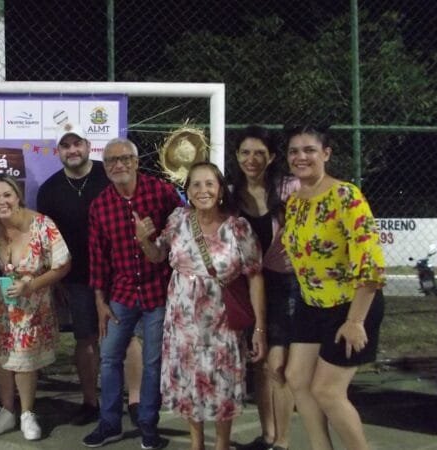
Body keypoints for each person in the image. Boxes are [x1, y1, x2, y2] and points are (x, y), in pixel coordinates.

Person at [136, 161, 267, 450]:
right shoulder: (178, 220)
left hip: (222, 323)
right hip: (182, 323)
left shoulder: (238, 228)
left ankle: (221, 445)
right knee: (188, 384)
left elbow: (255, 276)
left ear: (220, 190)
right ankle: (197, 444)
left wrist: (259, 328)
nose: (202, 190)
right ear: (188, 191)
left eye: (209, 183)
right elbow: (157, 255)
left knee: (221, 383)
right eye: (195, 184)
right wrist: (144, 240)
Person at [281, 126, 386, 450]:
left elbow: (370, 261)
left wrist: (355, 321)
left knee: (327, 391)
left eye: (309, 150)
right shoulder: (295, 201)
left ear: (326, 153)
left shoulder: (346, 196)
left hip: (350, 305)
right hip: (311, 304)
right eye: (294, 151)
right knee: (297, 380)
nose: (301, 157)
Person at [83, 138, 182, 450]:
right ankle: (109, 424)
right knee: (110, 357)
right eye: (111, 160)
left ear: (137, 162)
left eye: (125, 158)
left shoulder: (163, 193)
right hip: (121, 294)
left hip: (158, 291)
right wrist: (100, 302)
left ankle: (149, 428)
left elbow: (181, 234)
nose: (118, 165)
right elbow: (97, 257)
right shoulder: (100, 205)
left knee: (153, 362)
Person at [0, 173, 71, 441]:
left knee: (25, 362)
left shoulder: (43, 225)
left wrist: (30, 286)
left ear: (17, 196)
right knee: (1, 359)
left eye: (6, 195)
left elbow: (63, 264)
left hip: (33, 308)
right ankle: (7, 410)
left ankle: (27, 413)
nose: (2, 201)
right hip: (0, 310)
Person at [231, 126, 300, 450]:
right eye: (245, 152)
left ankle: (283, 441)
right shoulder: (230, 196)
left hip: (285, 282)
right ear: (237, 156)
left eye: (260, 152)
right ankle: (268, 434)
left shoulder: (290, 189)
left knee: (278, 365)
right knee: (258, 363)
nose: (252, 159)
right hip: (247, 287)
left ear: (272, 157)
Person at [36, 123, 109, 425]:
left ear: (88, 145)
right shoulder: (49, 190)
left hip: (118, 275)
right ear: (58, 152)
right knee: (86, 338)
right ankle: (91, 402)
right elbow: (46, 242)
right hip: (76, 278)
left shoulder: (109, 175)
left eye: (77, 143)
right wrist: (57, 280)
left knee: (126, 338)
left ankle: (132, 402)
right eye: (66, 146)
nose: (72, 150)